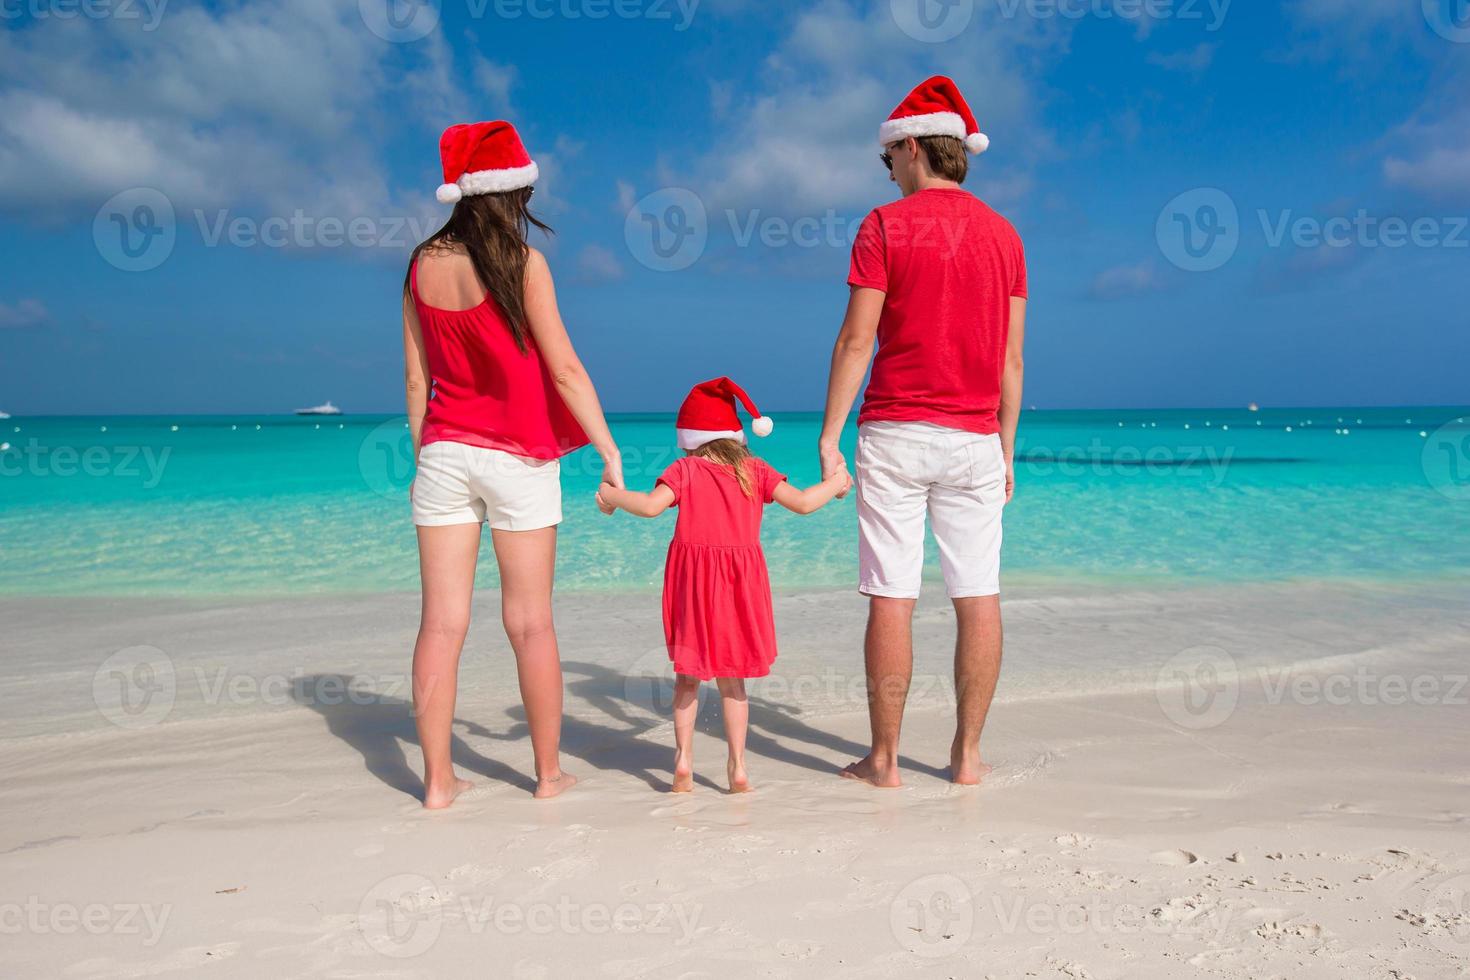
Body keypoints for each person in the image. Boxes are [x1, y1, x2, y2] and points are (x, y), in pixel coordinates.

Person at [402, 120, 623, 807]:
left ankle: (438, 782)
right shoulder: (523, 264)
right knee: (530, 623)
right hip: (519, 458)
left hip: (442, 451)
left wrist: (429, 455)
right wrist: (609, 450)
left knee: (441, 623)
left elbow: (416, 383)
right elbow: (563, 368)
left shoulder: (420, 265)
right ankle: (548, 774)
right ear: (514, 189)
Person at [817, 77, 1029, 788]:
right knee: (979, 594)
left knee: (892, 596)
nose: (889, 174)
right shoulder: (1005, 236)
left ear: (912, 148)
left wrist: (828, 434)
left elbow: (856, 339)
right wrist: (1006, 447)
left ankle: (884, 760)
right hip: (974, 439)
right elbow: (1011, 358)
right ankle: (966, 757)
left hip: (897, 433)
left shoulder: (885, 225)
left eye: (889, 161)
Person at [596, 378, 848, 794]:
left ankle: (683, 763)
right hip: (740, 585)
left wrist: (610, 493)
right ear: (735, 435)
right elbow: (804, 503)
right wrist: (838, 482)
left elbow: (649, 508)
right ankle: (738, 768)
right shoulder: (756, 470)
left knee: (687, 677)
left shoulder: (685, 470)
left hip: (692, 584)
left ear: (690, 439)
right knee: (734, 681)